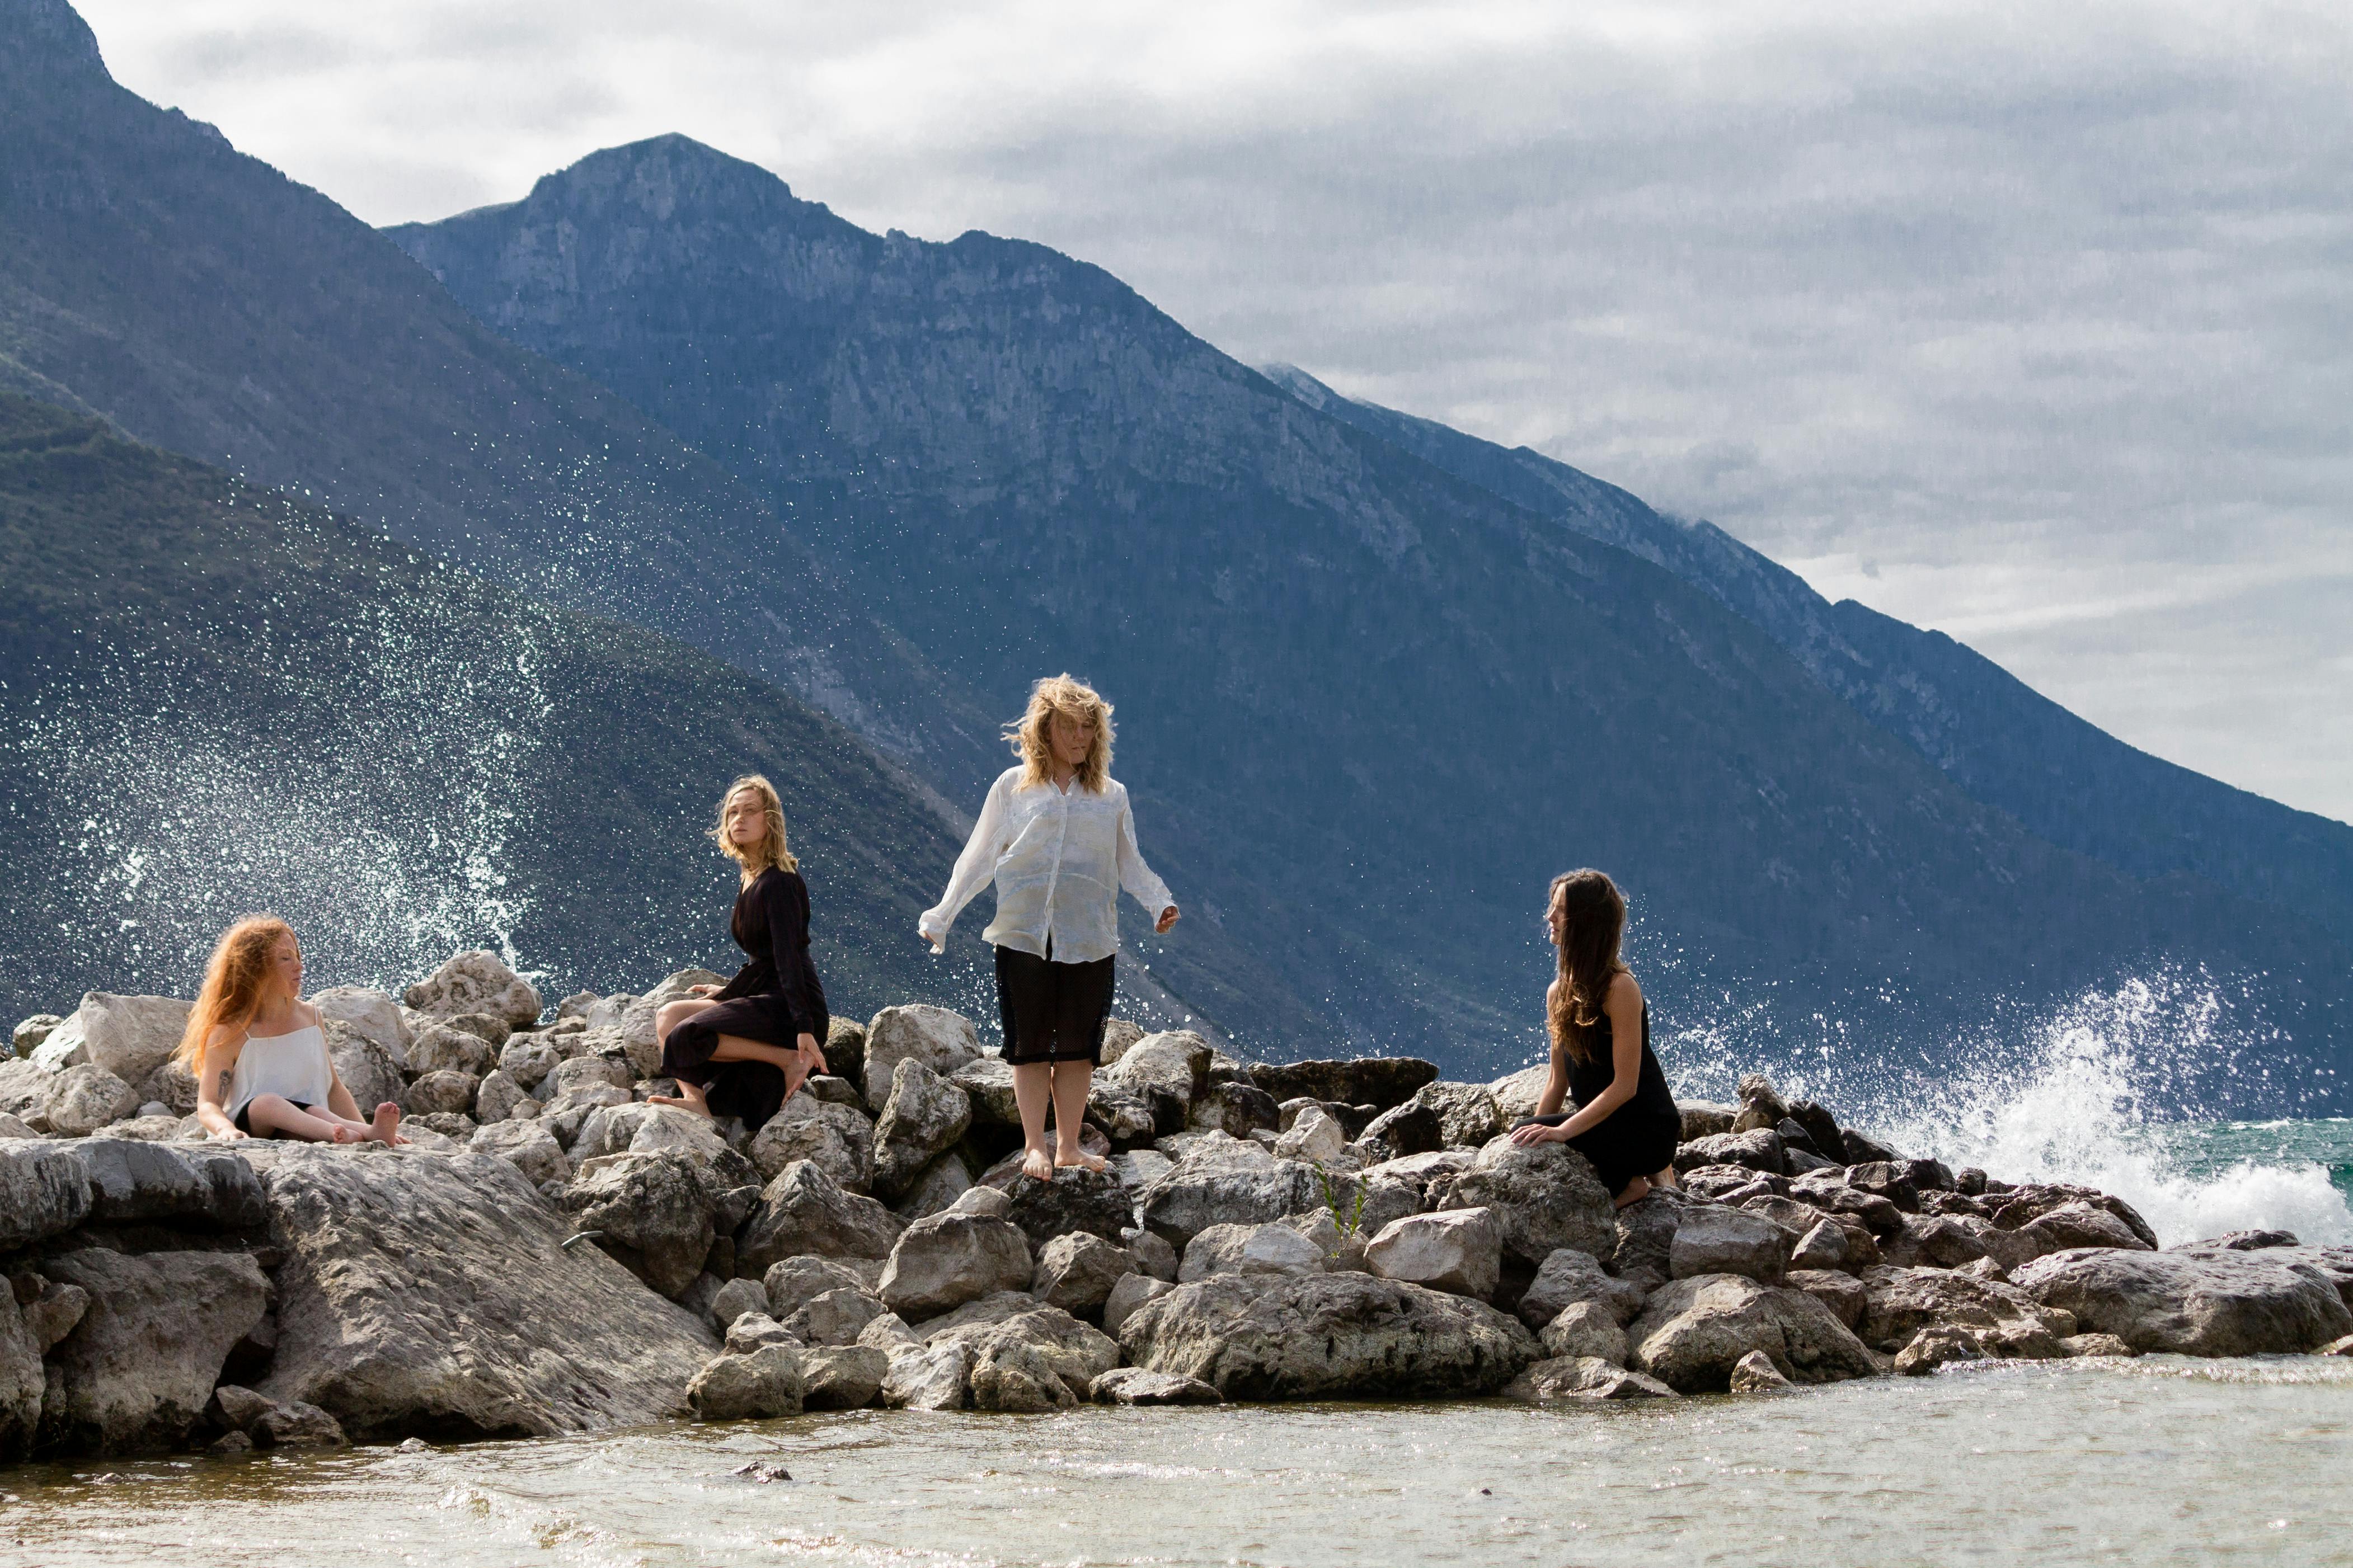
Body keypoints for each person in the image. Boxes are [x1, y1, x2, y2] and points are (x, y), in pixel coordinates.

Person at [919, 674, 1178, 1181]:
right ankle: (1034, 1145)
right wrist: (942, 915)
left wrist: (1159, 903)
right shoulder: (1013, 788)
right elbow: (977, 858)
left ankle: (1068, 1146)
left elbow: (1130, 863)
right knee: (1031, 1046)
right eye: (1070, 728)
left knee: (1080, 1047)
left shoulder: (1112, 796)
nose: (1081, 738)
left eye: (1089, 728)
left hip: (1090, 936)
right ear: (1045, 729)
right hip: (1023, 933)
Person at [650, 775, 828, 1133]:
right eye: (732, 813)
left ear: (770, 820)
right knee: (669, 1018)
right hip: (764, 993)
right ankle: (696, 1102)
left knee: (687, 1035)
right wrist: (732, 993)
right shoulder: (752, 874)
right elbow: (760, 957)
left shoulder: (780, 881)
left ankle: (791, 1058)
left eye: (749, 811)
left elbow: (787, 959)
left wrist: (804, 1027)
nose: (738, 820)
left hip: (791, 1006)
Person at [1507, 869, 1680, 1208]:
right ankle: (1646, 1177)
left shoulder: (1620, 989)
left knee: (1547, 1134)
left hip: (1646, 1130)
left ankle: (1635, 1184)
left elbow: (1626, 1086)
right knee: (1523, 1131)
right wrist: (1535, 1141)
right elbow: (1557, 1081)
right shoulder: (1558, 993)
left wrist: (1562, 1132)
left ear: (1585, 921)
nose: (1550, 917)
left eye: (1560, 910)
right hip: (1604, 1126)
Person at [180, 916, 406, 1144]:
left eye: (297, 956)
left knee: (315, 1112)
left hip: (306, 1127)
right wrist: (225, 1129)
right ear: (255, 971)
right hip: (252, 1128)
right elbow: (208, 1103)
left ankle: (365, 1134)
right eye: (285, 959)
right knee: (268, 1103)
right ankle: (343, 1133)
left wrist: (367, 1131)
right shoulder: (230, 1031)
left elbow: (333, 1089)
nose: (299, 966)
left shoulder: (311, 1017)